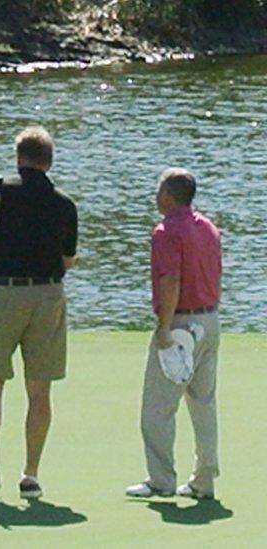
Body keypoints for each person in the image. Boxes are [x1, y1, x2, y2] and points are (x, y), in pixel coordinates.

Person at [0, 126, 78, 499]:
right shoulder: (64, 203)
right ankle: (30, 475)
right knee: (39, 390)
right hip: (47, 296)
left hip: (4, 293)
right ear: (49, 160)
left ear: (18, 157)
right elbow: (68, 259)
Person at [125, 168, 222, 500]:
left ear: (167, 195)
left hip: (181, 324)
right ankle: (204, 479)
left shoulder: (166, 231)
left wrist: (164, 328)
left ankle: (161, 480)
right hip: (210, 321)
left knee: (157, 406)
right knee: (203, 403)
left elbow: (170, 281)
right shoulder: (207, 227)